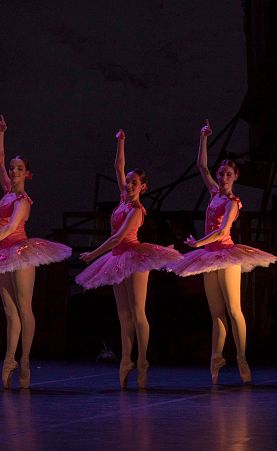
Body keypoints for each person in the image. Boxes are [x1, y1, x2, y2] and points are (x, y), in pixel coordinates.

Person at [0, 115, 71, 389]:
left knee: (23, 307)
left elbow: (10, 229)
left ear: (27, 174)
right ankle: (9, 358)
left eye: (19, 169)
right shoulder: (7, 192)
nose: (14, 172)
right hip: (2, 254)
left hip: (19, 251)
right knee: (9, 311)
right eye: (12, 168)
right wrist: (0, 134)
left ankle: (26, 359)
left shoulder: (23, 200)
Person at [168, 120, 277, 384]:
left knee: (234, 309)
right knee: (215, 311)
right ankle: (216, 359)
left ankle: (241, 358)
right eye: (221, 173)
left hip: (226, 254)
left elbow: (222, 231)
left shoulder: (232, 202)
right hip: (209, 256)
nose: (223, 176)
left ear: (235, 177)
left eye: (228, 174)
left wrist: (198, 243)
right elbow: (201, 167)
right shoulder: (215, 193)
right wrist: (204, 137)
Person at [75, 129, 181, 389]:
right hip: (117, 259)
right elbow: (118, 166)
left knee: (137, 312)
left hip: (133, 256)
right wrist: (121, 142)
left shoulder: (136, 209)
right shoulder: (123, 200)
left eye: (135, 183)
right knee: (123, 315)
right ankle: (125, 360)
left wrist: (92, 255)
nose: (129, 185)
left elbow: (117, 238)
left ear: (143, 188)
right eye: (128, 182)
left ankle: (143, 361)